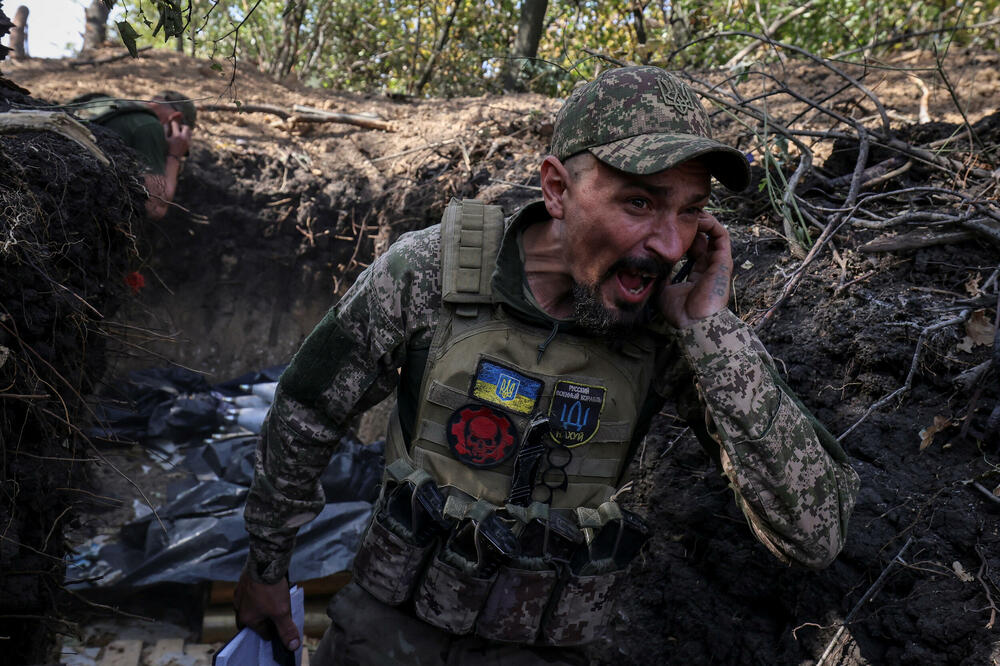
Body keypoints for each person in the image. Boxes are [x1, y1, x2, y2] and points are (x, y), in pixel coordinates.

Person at [234, 66, 861, 664]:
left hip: (546, 649)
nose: (671, 244)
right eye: (640, 203)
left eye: (691, 209)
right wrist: (267, 563)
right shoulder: (426, 274)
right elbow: (307, 411)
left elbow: (815, 535)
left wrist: (710, 334)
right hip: (385, 632)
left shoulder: (675, 329)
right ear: (558, 189)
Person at [71, 90, 195, 219]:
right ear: (175, 119)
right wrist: (174, 156)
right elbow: (155, 208)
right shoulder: (150, 126)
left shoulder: (102, 104)